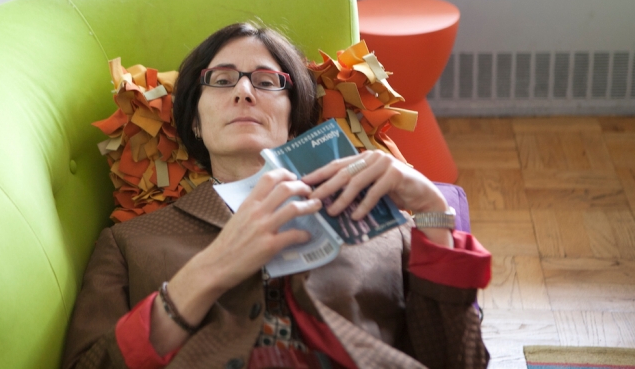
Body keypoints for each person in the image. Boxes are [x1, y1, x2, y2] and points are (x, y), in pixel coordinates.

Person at [62, 23, 491, 369]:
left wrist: (433, 212)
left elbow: (459, 361)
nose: (244, 91)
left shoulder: (382, 224)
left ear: (293, 121)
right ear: (194, 122)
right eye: (222, 80)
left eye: (267, 82)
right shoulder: (129, 243)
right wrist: (209, 270)